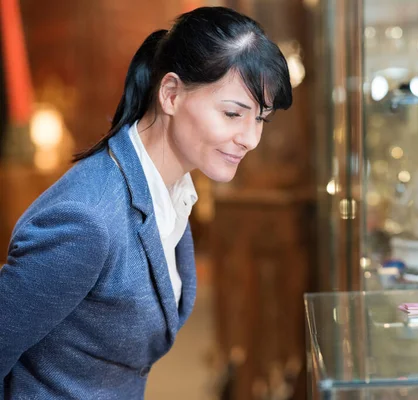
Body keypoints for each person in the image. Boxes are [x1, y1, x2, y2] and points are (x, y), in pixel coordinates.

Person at [0, 6, 292, 399]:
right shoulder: (86, 218)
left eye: (260, 119)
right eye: (232, 114)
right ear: (170, 94)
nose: (249, 138)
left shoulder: (173, 189)